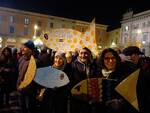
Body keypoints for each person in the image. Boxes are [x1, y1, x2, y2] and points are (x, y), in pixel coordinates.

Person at [97, 48, 138, 113]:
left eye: (113, 58)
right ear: (102, 60)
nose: (111, 61)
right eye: (107, 58)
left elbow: (134, 94)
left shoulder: (125, 73)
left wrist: (120, 102)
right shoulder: (98, 73)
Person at [70, 47, 98, 113]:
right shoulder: (73, 65)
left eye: (86, 53)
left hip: (91, 96)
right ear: (78, 54)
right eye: (81, 53)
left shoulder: (93, 65)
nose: (83, 55)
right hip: (78, 96)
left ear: (89, 54)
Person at [122, 46, 150, 113]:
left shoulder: (142, 66)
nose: (138, 57)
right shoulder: (129, 68)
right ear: (133, 56)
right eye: (137, 55)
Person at [16, 40, 40, 113]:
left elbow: (36, 79)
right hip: (20, 90)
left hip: (30, 92)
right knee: (22, 107)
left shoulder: (36, 62)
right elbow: (19, 74)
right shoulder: (21, 59)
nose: (22, 48)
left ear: (30, 50)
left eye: (25, 47)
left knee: (30, 108)